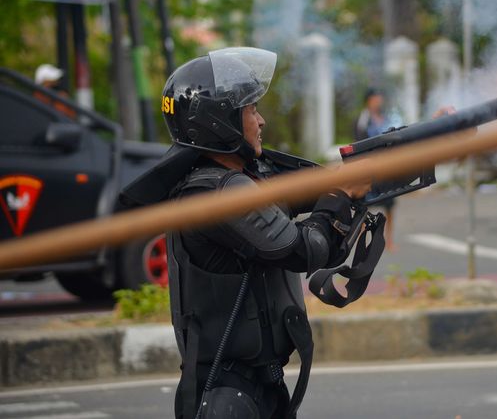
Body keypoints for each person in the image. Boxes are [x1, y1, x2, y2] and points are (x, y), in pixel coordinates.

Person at [120, 47, 374, 419]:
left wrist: (338, 182)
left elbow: (294, 195)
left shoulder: (232, 181)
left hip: (252, 388)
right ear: (221, 121)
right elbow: (302, 249)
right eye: (251, 110)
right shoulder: (218, 192)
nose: (261, 120)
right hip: (227, 396)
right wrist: (338, 196)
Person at [354, 88, 402, 251]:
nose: (378, 101)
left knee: (390, 205)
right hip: (369, 169)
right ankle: (360, 240)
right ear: (369, 100)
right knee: (364, 206)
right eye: (375, 98)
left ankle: (389, 240)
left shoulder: (386, 117)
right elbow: (358, 143)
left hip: (386, 169)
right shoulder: (363, 119)